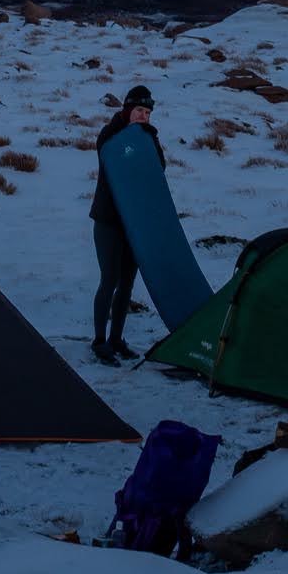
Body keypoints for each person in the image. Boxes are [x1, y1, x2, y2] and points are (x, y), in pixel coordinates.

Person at [90, 85, 158, 364]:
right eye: (140, 110)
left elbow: (158, 170)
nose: (144, 116)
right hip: (108, 221)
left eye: (148, 112)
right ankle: (99, 340)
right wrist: (134, 139)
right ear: (128, 110)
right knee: (110, 280)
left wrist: (147, 138)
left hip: (135, 223)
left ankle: (117, 338)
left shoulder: (148, 138)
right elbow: (112, 160)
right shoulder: (110, 134)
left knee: (127, 283)